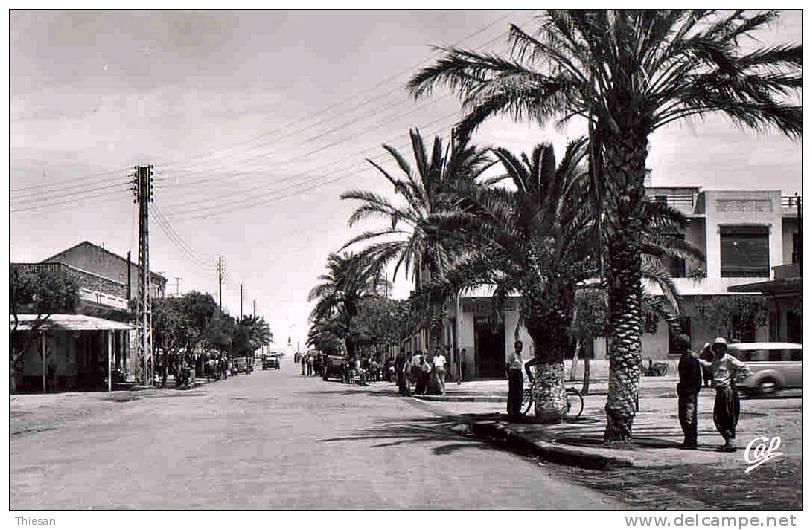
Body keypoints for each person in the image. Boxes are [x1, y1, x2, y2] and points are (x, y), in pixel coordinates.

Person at [698, 337, 751, 452]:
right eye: (716, 348)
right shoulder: (716, 360)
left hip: (727, 391)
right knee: (718, 417)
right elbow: (710, 367)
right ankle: (728, 441)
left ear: (724, 348)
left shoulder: (729, 359)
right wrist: (699, 361)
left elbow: (745, 369)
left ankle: (730, 442)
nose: (718, 350)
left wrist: (737, 379)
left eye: (720, 348)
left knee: (727, 417)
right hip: (719, 392)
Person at [676, 334, 702, 450]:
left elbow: (697, 377)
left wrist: (693, 391)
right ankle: (688, 439)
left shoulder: (691, 357)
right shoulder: (684, 356)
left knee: (688, 416)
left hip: (689, 392)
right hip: (684, 391)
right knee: (684, 416)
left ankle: (691, 441)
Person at [505, 340, 525, 418]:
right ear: (515, 347)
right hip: (514, 374)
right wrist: (510, 375)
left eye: (520, 347)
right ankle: (511, 410)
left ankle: (517, 410)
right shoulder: (512, 355)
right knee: (512, 392)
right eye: (517, 347)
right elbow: (507, 366)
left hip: (519, 374)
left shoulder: (520, 356)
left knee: (519, 393)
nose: (519, 349)